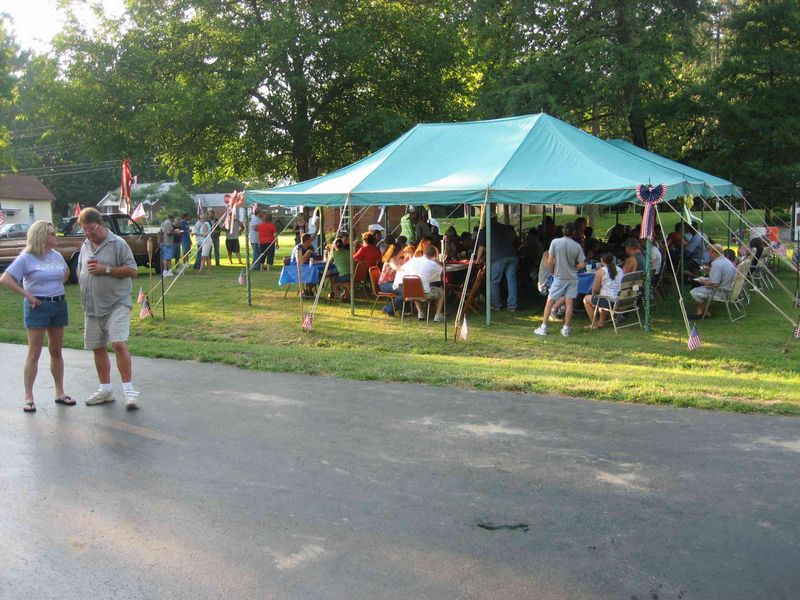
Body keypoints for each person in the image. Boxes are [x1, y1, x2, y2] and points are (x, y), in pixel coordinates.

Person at [0, 221, 73, 412]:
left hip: (58, 304)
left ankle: (60, 392)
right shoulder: (27, 257)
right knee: (34, 352)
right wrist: (28, 295)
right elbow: (6, 279)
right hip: (37, 306)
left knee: (56, 351)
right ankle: (28, 397)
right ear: (41, 236)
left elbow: (65, 274)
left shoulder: (57, 256)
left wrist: (58, 283)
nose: (56, 236)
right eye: (52, 233)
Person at [77, 208, 140, 410]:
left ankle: (129, 391)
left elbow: (132, 270)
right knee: (98, 347)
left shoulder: (118, 244)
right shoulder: (85, 245)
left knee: (119, 344)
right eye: (85, 230)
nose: (89, 234)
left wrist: (106, 269)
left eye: (92, 229)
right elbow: (81, 270)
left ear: (101, 224)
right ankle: (105, 390)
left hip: (117, 304)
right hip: (92, 306)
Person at [534, 221, 585, 337]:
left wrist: (552, 271)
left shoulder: (555, 242)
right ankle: (566, 328)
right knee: (569, 302)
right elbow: (582, 265)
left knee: (550, 301)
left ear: (563, 231)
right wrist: (573, 267)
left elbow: (550, 261)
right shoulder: (577, 246)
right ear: (574, 232)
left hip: (559, 276)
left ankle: (544, 327)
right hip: (572, 277)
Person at [477, 216, 519, 311]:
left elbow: (481, 246)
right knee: (511, 281)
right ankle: (512, 306)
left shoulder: (486, 229)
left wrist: (478, 259)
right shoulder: (504, 227)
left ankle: (496, 304)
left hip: (498, 257)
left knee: (494, 281)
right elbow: (513, 239)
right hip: (512, 255)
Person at [689, 244, 737, 318]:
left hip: (722, 292)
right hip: (729, 289)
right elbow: (720, 275)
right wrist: (709, 270)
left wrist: (703, 281)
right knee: (701, 287)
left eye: (709, 252)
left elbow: (715, 285)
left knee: (694, 291)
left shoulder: (717, 264)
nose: (708, 254)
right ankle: (702, 311)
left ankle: (706, 313)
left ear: (714, 253)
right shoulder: (726, 261)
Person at [400, 245, 445, 322]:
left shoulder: (413, 260)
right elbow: (442, 271)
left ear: (424, 253)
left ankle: (420, 312)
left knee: (416, 288)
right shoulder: (432, 263)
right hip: (425, 294)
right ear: (434, 255)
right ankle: (438, 315)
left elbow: (402, 268)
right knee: (441, 291)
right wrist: (437, 261)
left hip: (409, 293)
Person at [582, 253, 623, 329]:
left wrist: (594, 295)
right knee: (602, 296)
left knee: (586, 299)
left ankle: (594, 324)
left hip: (608, 301)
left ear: (602, 260)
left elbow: (595, 289)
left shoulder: (601, 272)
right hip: (619, 299)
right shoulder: (620, 270)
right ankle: (601, 322)